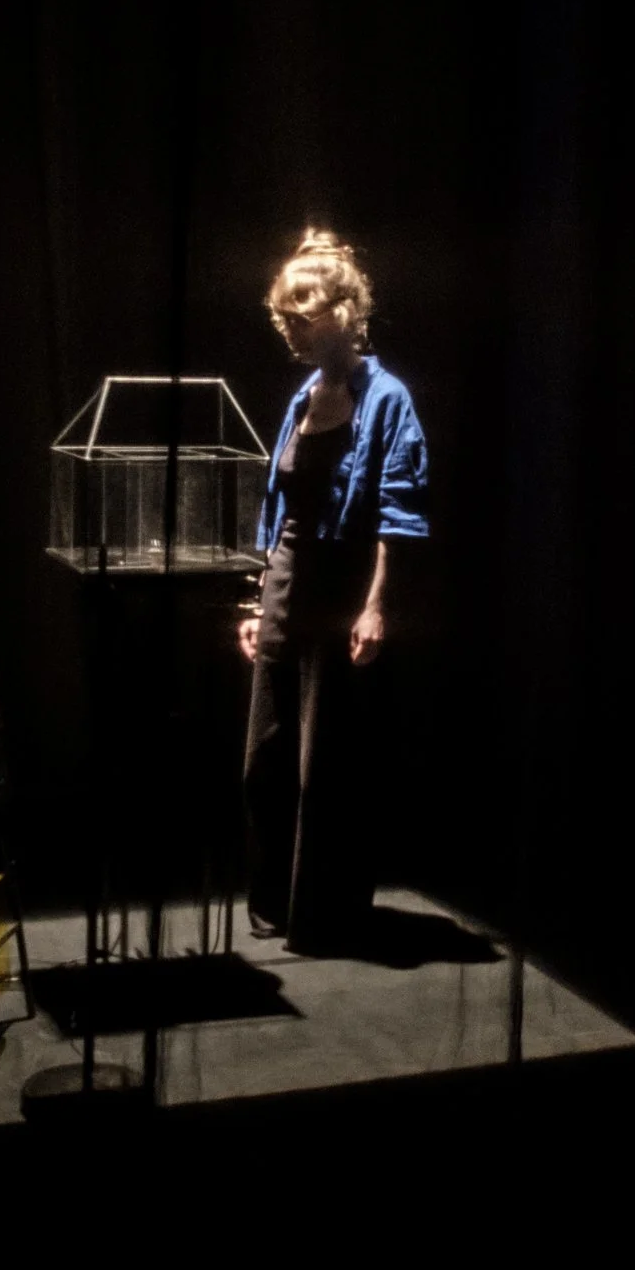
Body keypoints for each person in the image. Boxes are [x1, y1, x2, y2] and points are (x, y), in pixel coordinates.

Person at [237, 229, 429, 954]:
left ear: (343, 311)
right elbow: (277, 503)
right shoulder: (301, 396)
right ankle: (272, 905)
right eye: (283, 312)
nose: (289, 323)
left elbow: (398, 512)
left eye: (302, 309)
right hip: (289, 576)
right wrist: (258, 600)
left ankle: (326, 913)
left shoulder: (387, 399)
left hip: (344, 581)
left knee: (328, 764)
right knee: (265, 756)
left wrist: (377, 603)